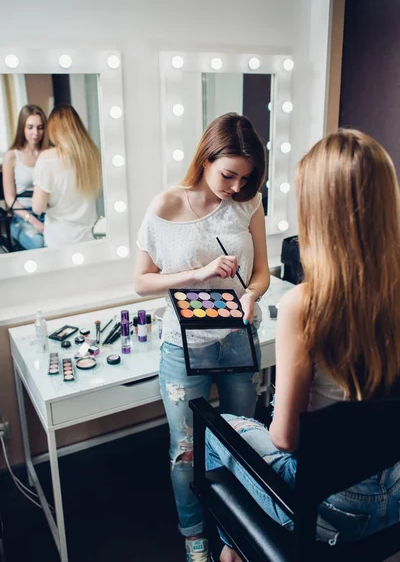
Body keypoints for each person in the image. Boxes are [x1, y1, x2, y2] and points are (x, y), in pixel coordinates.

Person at [206, 129, 400, 562]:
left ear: (320, 214)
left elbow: (287, 439)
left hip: (333, 509)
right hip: (395, 496)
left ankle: (231, 546)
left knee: (220, 429)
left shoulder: (304, 306)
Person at [134, 112, 270, 562]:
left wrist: (250, 294)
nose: (235, 186)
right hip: (182, 343)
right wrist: (199, 272)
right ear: (205, 157)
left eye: (245, 178)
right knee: (186, 450)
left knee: (243, 440)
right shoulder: (164, 207)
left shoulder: (248, 204)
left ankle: (235, 536)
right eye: (228, 174)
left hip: (237, 336)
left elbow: (263, 273)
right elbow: (142, 282)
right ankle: (194, 538)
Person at [32, 103, 102, 247]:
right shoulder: (93, 155)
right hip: (88, 237)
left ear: (53, 129)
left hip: (59, 237)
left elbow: (37, 207)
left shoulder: (47, 158)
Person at [2, 104, 47, 249]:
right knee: (40, 243)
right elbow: (10, 198)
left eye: (40, 127)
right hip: (22, 216)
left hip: (48, 212)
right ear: (22, 128)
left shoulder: (49, 154)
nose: (36, 133)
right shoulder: (12, 156)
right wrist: (34, 221)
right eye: (30, 127)